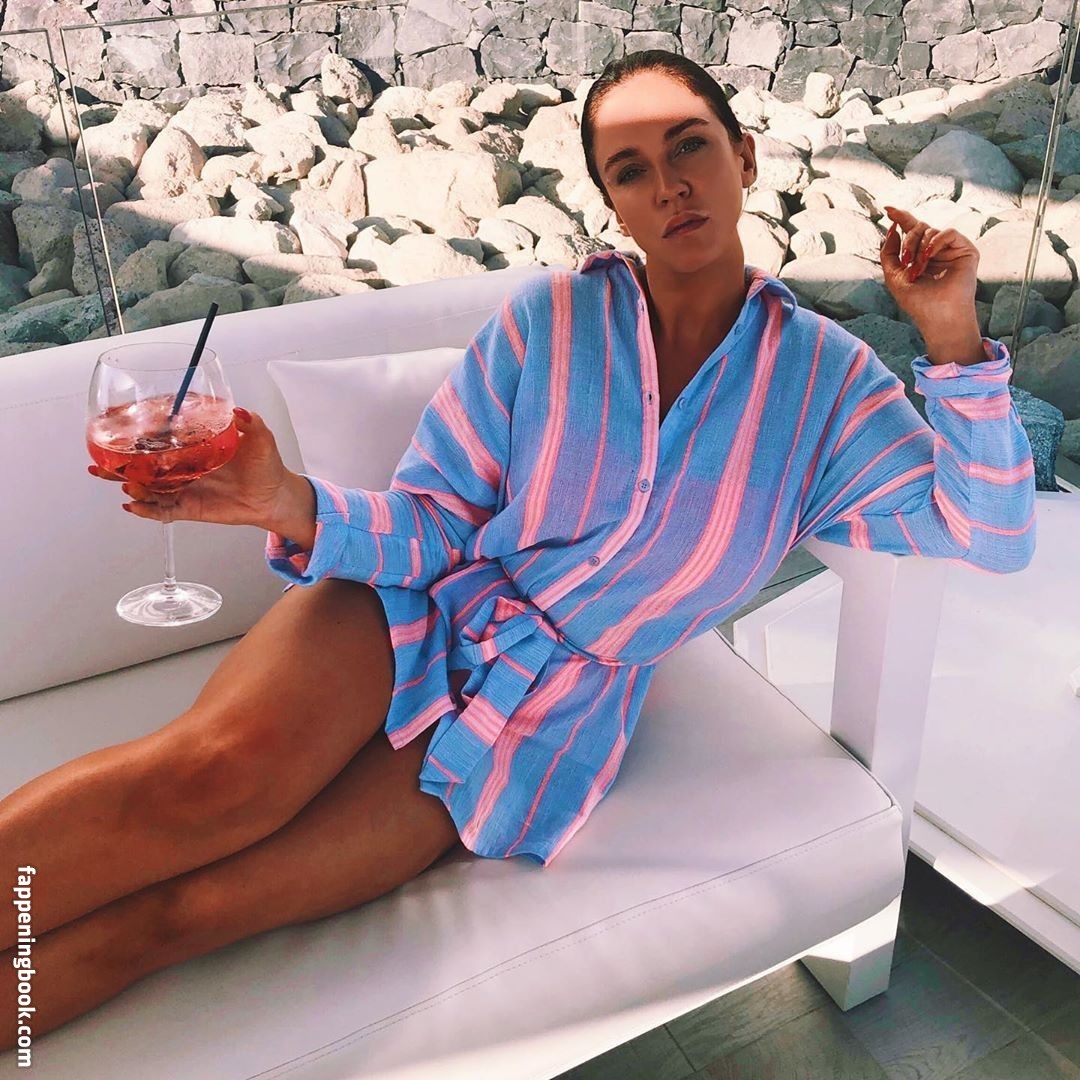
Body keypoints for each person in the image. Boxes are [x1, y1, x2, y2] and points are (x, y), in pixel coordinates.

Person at [0, 48, 1037, 1047]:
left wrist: (950, 335)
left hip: (537, 720)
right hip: (413, 605)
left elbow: (991, 535)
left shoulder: (828, 386)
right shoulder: (552, 320)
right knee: (206, 780)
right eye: (631, 169)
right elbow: (438, 523)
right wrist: (286, 500)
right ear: (613, 203)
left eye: (691, 146)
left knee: (181, 917)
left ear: (746, 156)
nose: (670, 185)